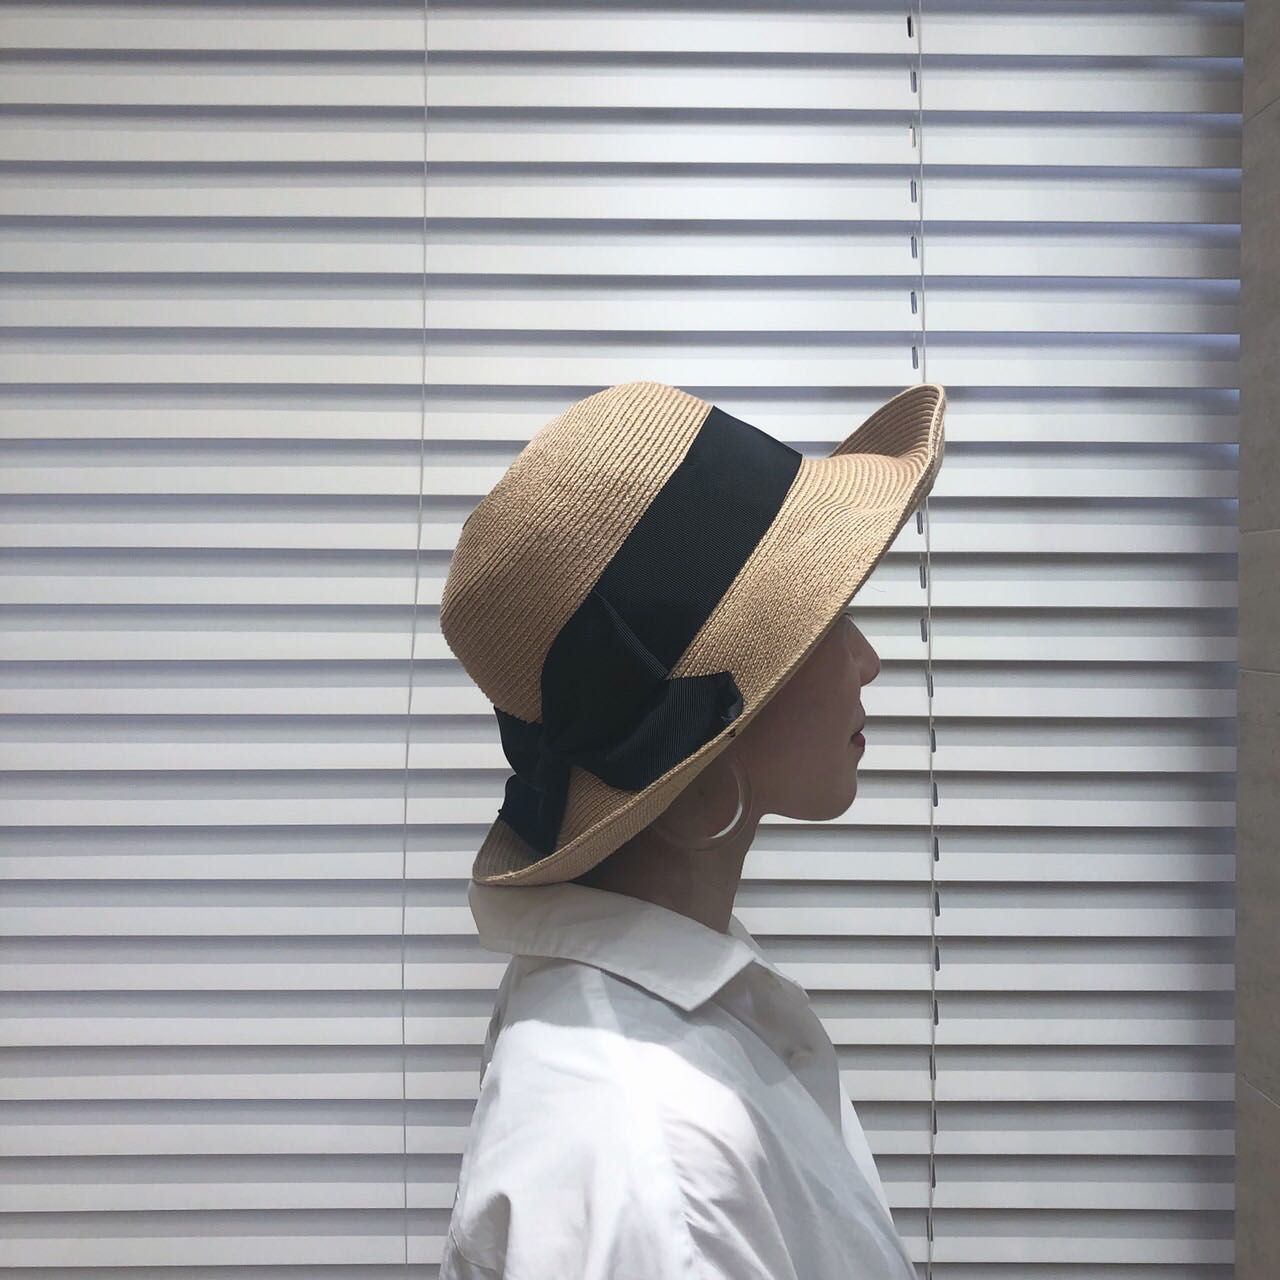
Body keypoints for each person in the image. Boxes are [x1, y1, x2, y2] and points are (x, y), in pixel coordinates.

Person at [437, 379, 946, 1278]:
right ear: (711, 735)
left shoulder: (671, 1021)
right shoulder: (657, 1165)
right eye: (826, 618)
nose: (866, 659)